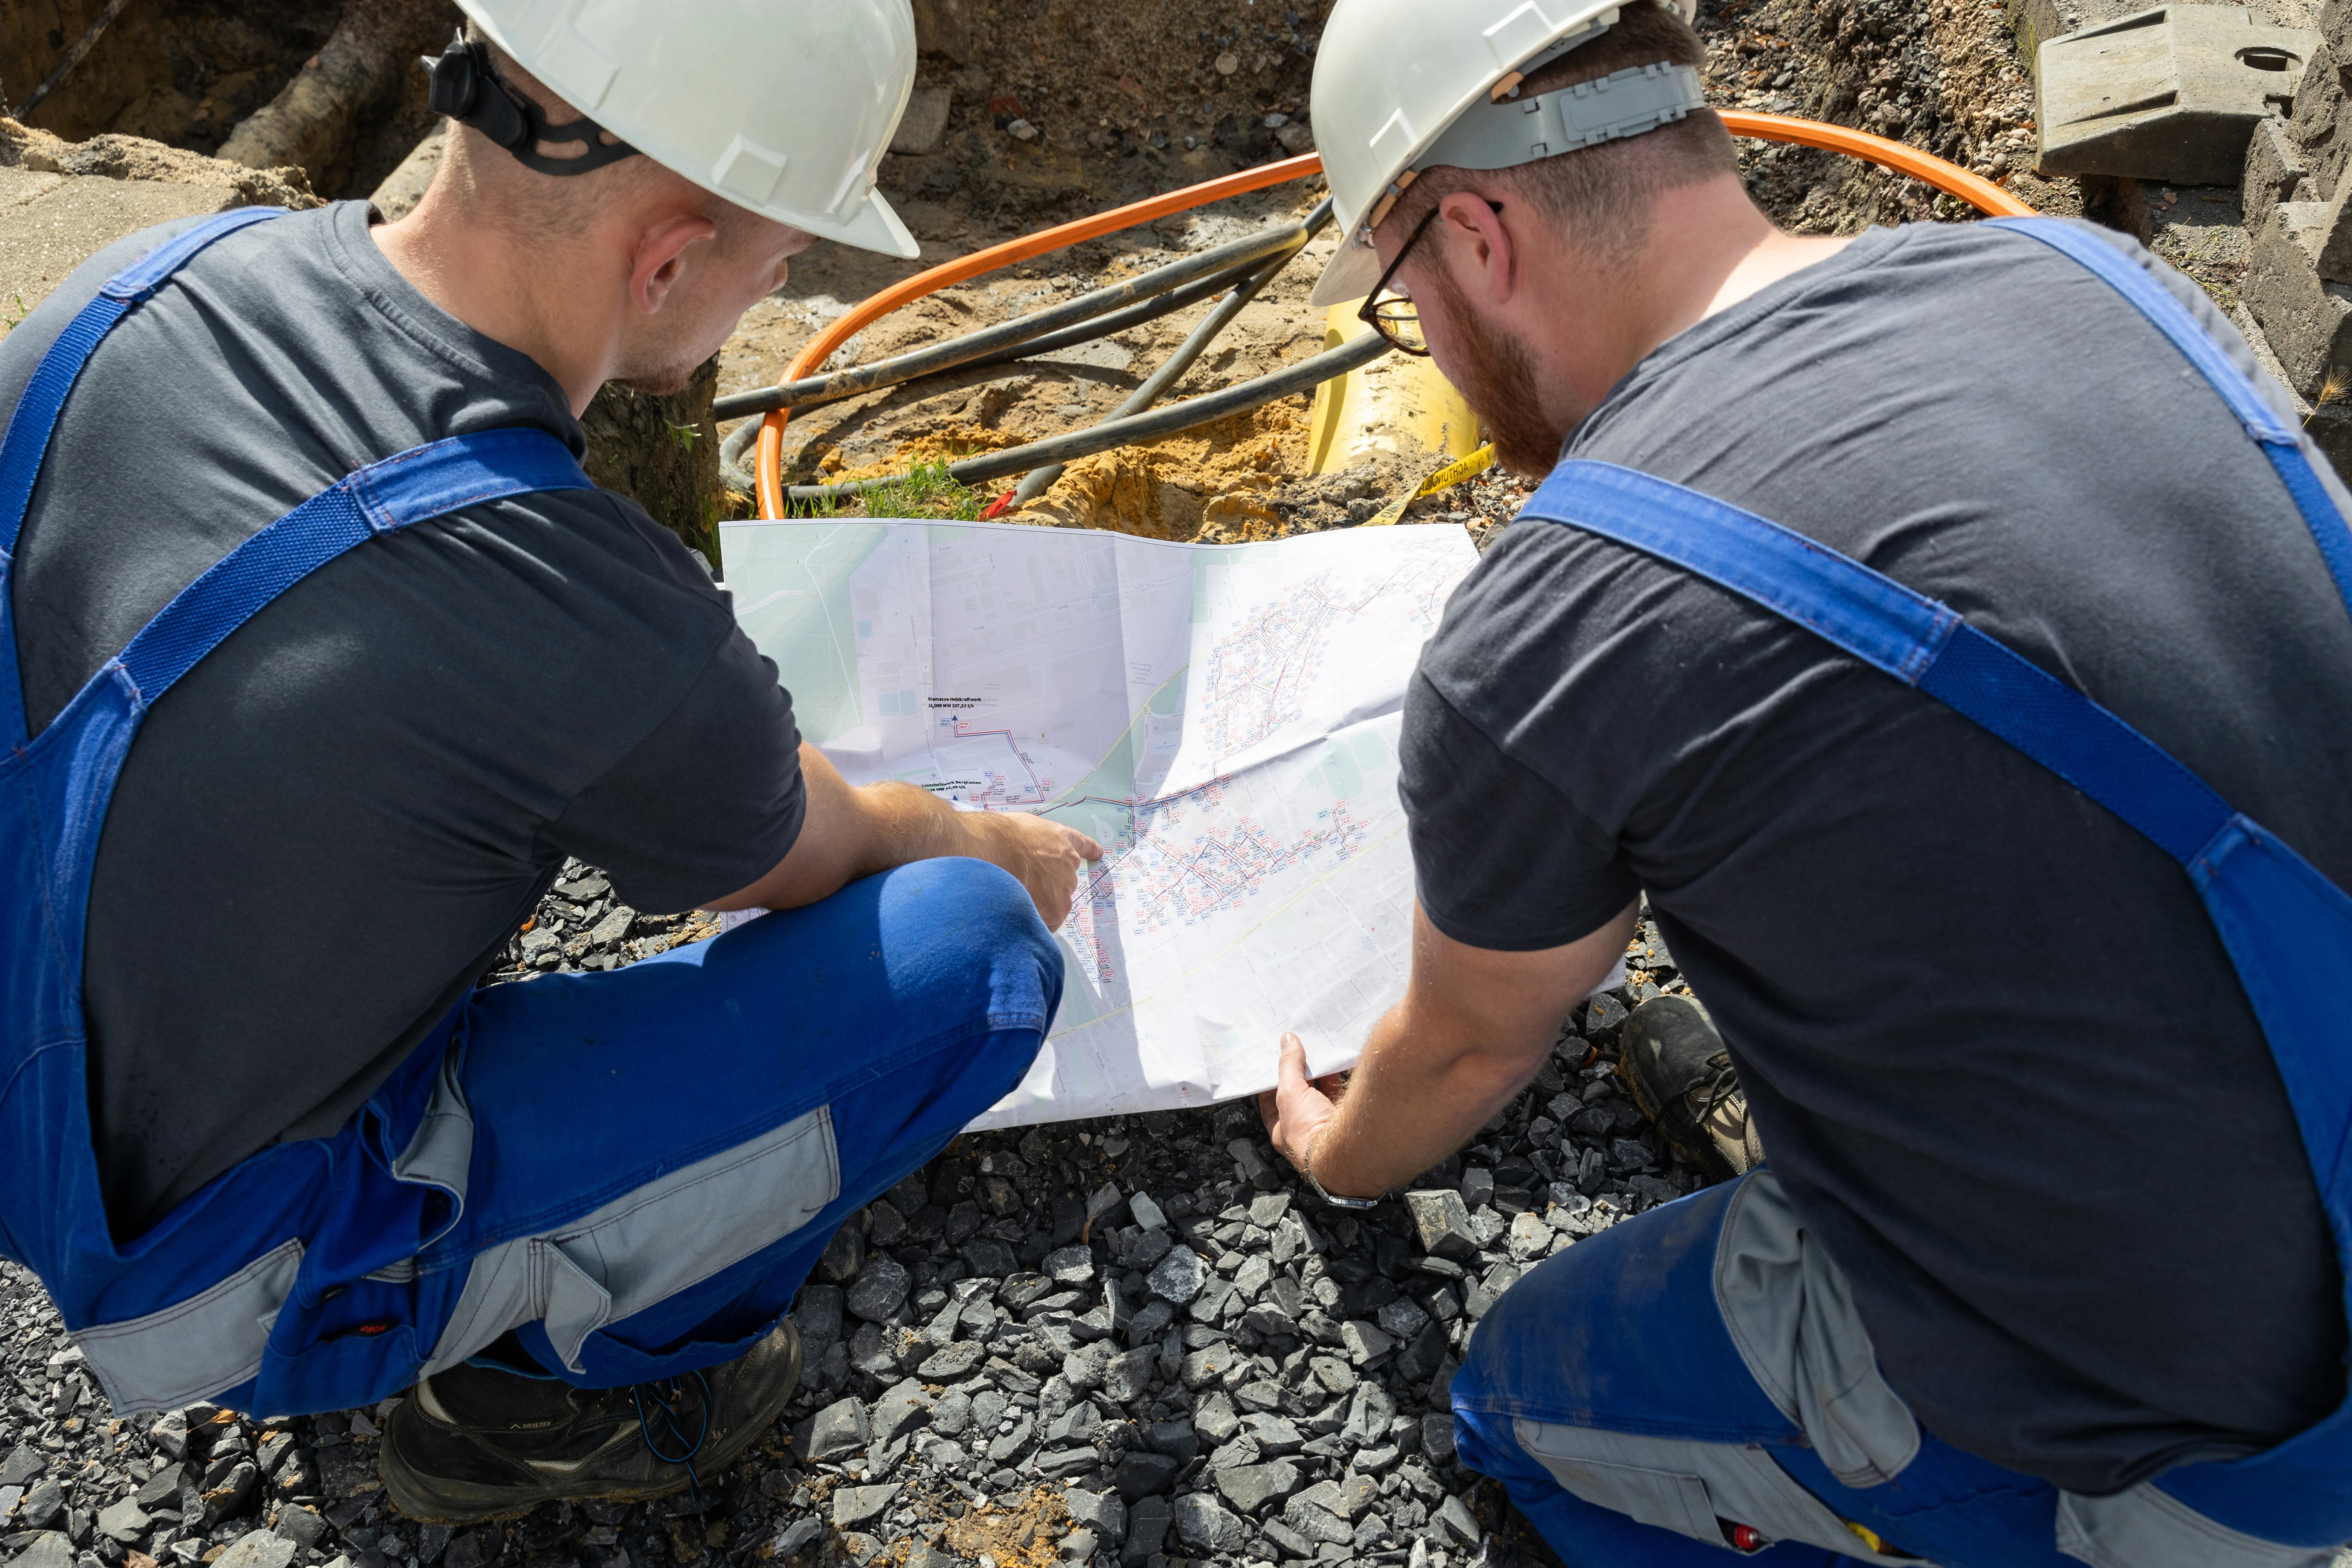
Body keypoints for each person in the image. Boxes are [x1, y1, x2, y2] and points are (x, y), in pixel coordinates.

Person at [1255, 1, 2352, 1564]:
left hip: (2209, 1441)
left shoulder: (1562, 618)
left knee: (1515, 1402)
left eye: (1402, 294)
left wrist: (1332, 1153)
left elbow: (1463, 1055)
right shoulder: (2103, 279)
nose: (1423, 337)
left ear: (1481, 234)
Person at [0, 0, 1097, 1524]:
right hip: (204, 1263)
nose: (786, 282)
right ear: (667, 258)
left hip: (34, 1067)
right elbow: (821, 849)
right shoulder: (578, 602)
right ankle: (553, 1397)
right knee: (968, 962)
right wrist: (1002, 848)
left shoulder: (130, 291)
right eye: (783, 260)